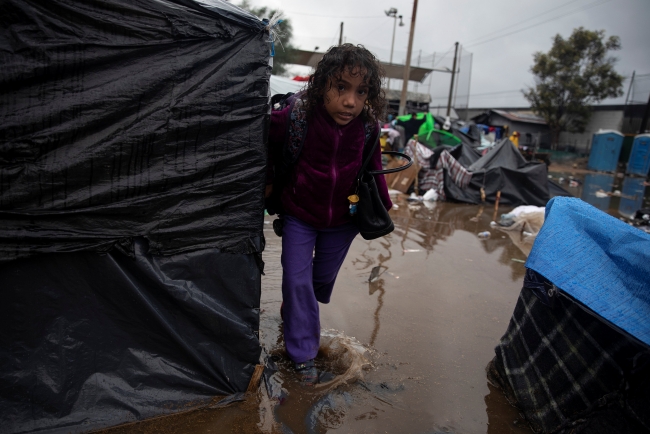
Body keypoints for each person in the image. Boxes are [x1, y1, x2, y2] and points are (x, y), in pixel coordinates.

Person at [266, 44, 392, 386]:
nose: (350, 101)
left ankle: (294, 311)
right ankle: (303, 355)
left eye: (361, 91)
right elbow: (263, 144)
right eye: (341, 88)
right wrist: (265, 189)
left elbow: (373, 169)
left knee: (316, 284)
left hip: (342, 221)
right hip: (299, 214)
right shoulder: (294, 117)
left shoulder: (367, 128)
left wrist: (381, 211)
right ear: (323, 85)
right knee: (296, 279)